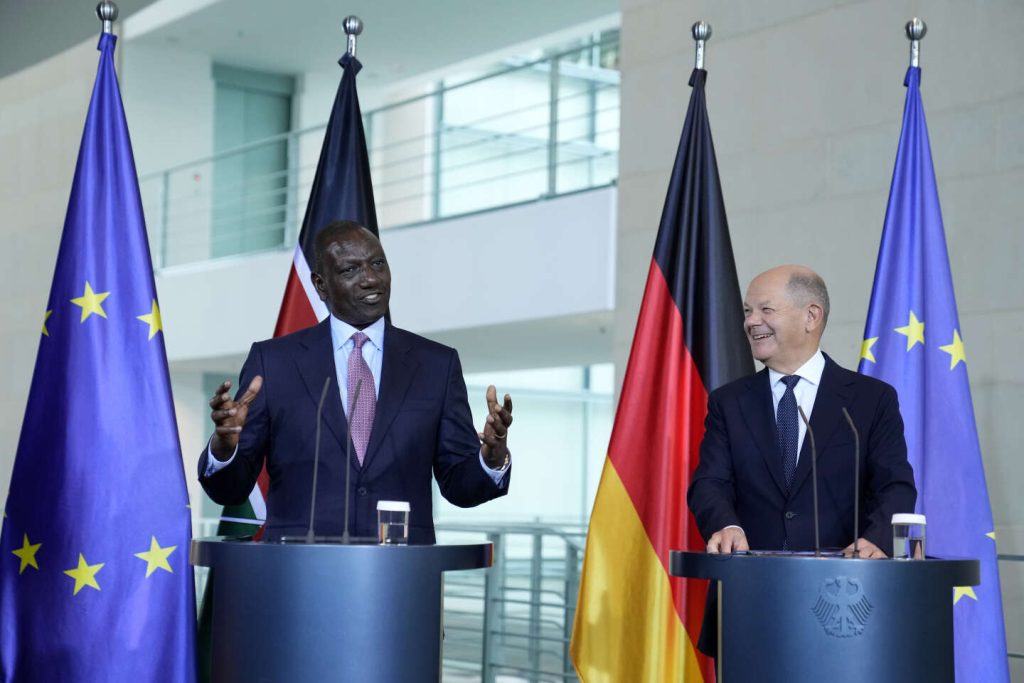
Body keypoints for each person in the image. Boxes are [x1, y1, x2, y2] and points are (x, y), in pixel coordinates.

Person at [198, 220, 514, 543]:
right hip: (299, 567)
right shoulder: (273, 363)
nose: (370, 279)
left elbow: (460, 486)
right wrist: (224, 449)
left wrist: (491, 459)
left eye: (378, 264)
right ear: (320, 285)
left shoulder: (437, 365)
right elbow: (230, 489)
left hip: (402, 567)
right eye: (350, 270)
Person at [687, 264, 917, 656]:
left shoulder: (870, 400)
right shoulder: (729, 402)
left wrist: (876, 539)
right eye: (747, 312)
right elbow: (710, 482)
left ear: (811, 316)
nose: (751, 322)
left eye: (765, 310)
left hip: (845, 604)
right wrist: (725, 524)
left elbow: (895, 485)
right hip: (750, 604)